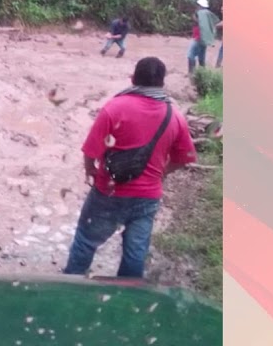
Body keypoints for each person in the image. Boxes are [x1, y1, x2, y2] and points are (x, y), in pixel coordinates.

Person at [62, 57, 197, 278]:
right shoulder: (175, 116)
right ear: (162, 83)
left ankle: (73, 286)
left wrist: (90, 170)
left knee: (86, 240)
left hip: (108, 192)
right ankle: (128, 292)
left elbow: (91, 151)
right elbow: (186, 158)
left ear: (133, 78)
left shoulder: (115, 107)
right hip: (147, 197)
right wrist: (162, 172)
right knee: (136, 251)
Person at [187, 0, 220, 73]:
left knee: (190, 55)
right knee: (201, 56)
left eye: (197, 5)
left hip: (198, 38)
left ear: (200, 5)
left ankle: (191, 73)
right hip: (204, 39)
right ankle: (202, 73)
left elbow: (200, 23)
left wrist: (194, 18)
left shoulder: (201, 13)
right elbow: (214, 22)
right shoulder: (208, 14)